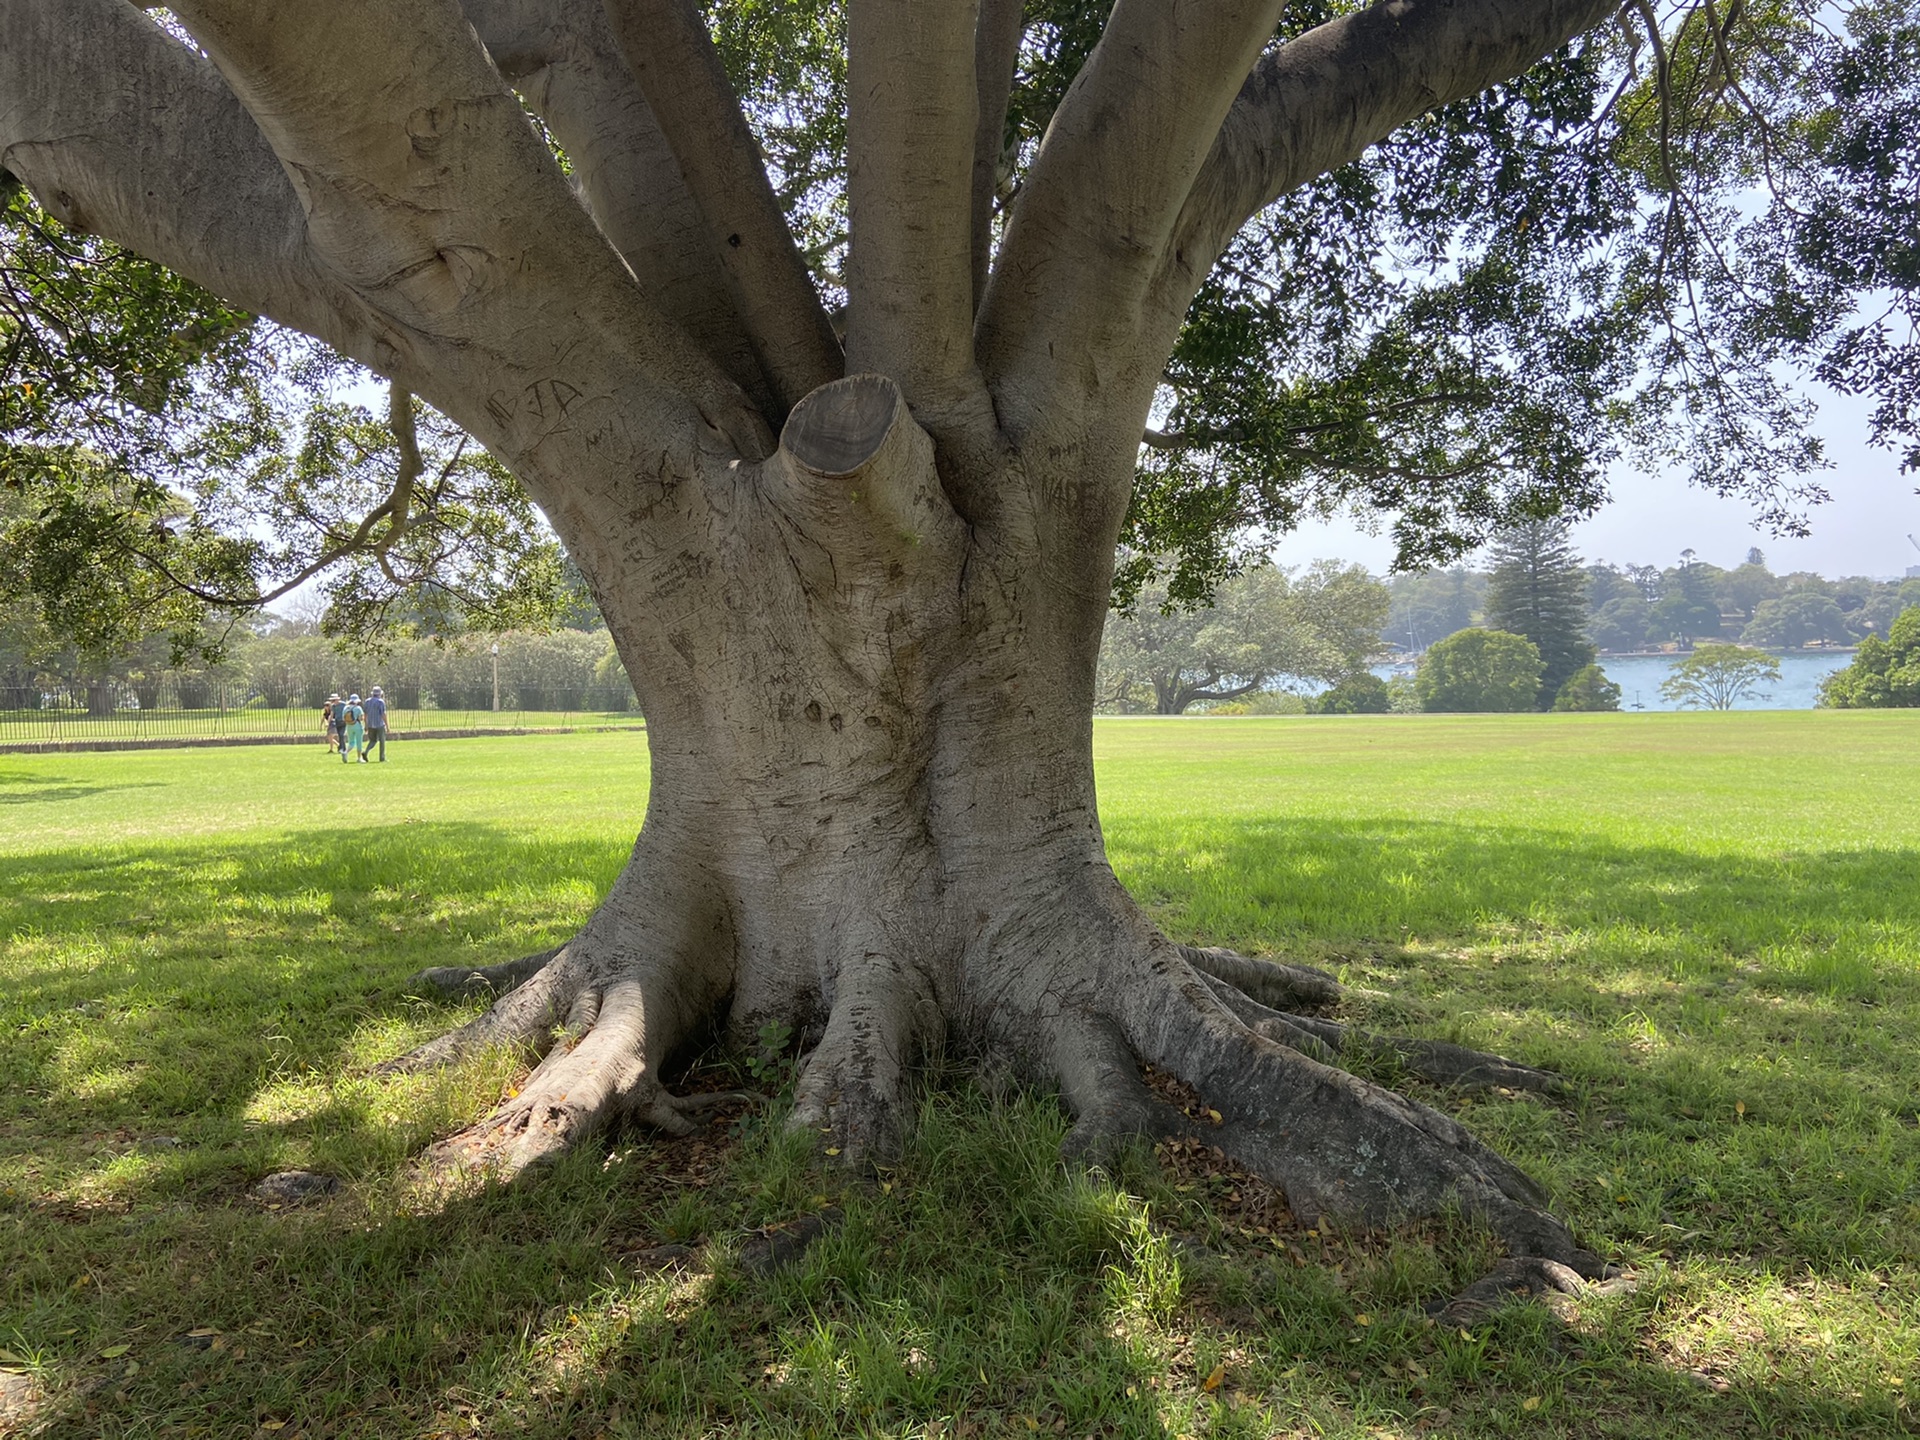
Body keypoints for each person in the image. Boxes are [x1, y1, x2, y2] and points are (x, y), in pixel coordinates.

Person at [360, 685, 389, 762]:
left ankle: (365, 752)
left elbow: (365, 714)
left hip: (370, 725)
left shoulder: (367, 701)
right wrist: (387, 725)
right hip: (379, 724)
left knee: (372, 740)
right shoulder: (380, 702)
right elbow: (383, 714)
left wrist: (366, 725)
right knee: (382, 741)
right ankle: (382, 758)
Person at [341, 693, 366, 763]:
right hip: (357, 726)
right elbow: (361, 718)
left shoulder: (345, 708)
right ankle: (359, 758)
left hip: (349, 726)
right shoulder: (358, 708)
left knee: (351, 742)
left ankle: (345, 752)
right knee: (359, 742)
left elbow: (343, 718)